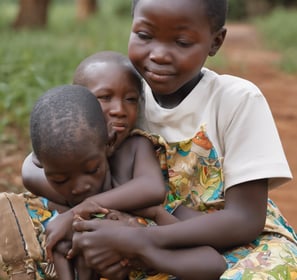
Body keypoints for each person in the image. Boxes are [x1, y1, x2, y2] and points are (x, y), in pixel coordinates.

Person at [68, 0, 297, 279]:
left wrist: (143, 241)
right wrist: (85, 223)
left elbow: (245, 219)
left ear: (215, 42)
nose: (160, 54)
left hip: (235, 243)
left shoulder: (236, 100)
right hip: (137, 230)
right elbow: (47, 157)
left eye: (182, 41)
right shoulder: (122, 97)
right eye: (144, 35)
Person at [6, 52, 169, 280]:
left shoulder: (135, 145)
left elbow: (152, 188)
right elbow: (30, 171)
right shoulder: (62, 143)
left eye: (131, 99)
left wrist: (79, 210)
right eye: (104, 97)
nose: (119, 109)